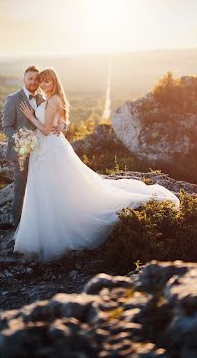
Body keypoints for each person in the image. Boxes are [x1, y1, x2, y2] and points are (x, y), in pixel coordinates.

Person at [13, 67, 180, 262]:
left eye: (47, 81)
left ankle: (56, 230)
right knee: (48, 188)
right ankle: (43, 231)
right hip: (45, 149)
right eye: (41, 81)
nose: (43, 84)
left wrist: (31, 116)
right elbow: (61, 123)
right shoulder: (50, 99)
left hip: (49, 149)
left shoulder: (53, 100)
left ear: (55, 82)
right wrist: (60, 125)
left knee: (55, 189)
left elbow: (46, 129)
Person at [2, 65, 67, 228]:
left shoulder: (42, 99)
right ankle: (17, 224)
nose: (34, 82)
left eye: (36, 79)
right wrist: (20, 140)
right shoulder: (13, 99)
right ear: (23, 79)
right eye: (30, 78)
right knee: (21, 186)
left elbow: (57, 116)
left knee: (41, 186)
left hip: (42, 150)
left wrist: (63, 126)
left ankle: (39, 221)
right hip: (22, 151)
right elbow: (7, 127)